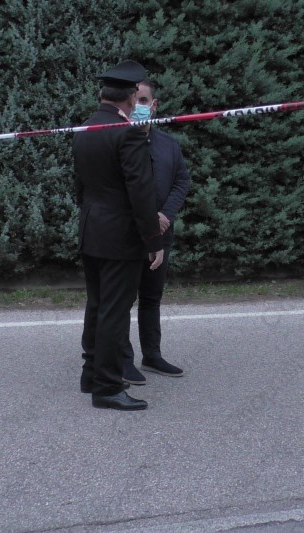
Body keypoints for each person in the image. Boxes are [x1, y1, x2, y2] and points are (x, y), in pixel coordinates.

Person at [73, 60, 164, 411]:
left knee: (97, 305)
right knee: (114, 312)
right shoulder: (128, 132)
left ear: (102, 94)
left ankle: (91, 374)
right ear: (129, 99)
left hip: (92, 228)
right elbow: (141, 192)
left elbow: (80, 185)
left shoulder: (84, 128)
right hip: (120, 235)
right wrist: (152, 240)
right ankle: (108, 387)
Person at [122, 79, 192, 385]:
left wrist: (165, 215)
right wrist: (148, 219)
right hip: (128, 235)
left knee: (151, 298)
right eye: (134, 100)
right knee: (123, 301)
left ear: (154, 105)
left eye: (143, 100)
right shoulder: (119, 141)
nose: (138, 106)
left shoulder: (169, 145)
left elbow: (181, 182)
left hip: (162, 233)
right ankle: (123, 361)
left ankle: (152, 355)